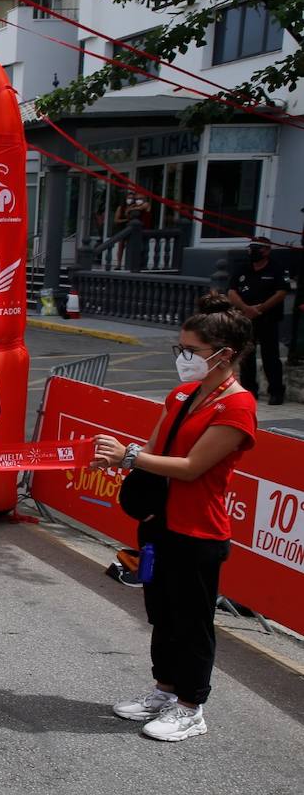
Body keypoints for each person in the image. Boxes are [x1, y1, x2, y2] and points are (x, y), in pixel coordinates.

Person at [91, 295, 257, 742]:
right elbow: (154, 455)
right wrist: (121, 459)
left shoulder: (237, 406)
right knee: (162, 613)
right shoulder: (182, 394)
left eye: (191, 351)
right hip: (160, 523)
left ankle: (191, 705)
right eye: (179, 349)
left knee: (192, 621)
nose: (183, 359)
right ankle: (164, 690)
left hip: (199, 529)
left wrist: (130, 455)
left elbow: (191, 468)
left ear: (224, 354)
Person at [228, 237, 290, 405]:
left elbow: (281, 292)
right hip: (247, 319)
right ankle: (249, 390)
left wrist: (260, 309)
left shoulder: (276, 268)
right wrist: (246, 308)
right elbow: (232, 291)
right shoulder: (243, 268)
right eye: (251, 248)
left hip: (268, 319)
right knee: (247, 356)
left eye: (257, 248)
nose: (252, 252)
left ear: (267, 250)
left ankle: (276, 392)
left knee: (271, 357)